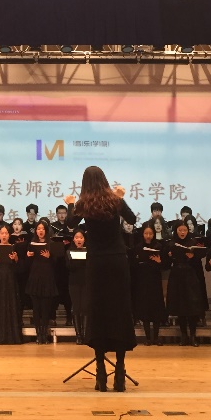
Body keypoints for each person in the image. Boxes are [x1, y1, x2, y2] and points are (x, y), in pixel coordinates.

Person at [64, 166, 137, 393]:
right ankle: (120, 373)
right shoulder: (114, 201)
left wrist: (70, 203)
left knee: (98, 312)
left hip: (96, 263)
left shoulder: (83, 204)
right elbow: (132, 219)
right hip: (117, 261)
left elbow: (70, 224)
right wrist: (121, 198)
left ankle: (101, 374)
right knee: (119, 311)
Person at [166, 222, 208, 347]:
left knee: (192, 307)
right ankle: (183, 336)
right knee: (180, 307)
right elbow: (166, 263)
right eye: (180, 230)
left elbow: (199, 258)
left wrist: (193, 256)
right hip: (177, 276)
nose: (182, 232)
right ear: (176, 231)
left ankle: (193, 336)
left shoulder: (193, 242)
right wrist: (169, 256)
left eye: (184, 230)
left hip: (190, 276)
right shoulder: (171, 243)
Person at [25, 219, 59, 344]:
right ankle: (38, 334)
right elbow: (27, 264)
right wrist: (28, 256)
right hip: (35, 277)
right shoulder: (31, 243)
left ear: (46, 230)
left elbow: (57, 263)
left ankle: (44, 334)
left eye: (43, 229)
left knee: (45, 308)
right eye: (38, 229)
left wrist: (50, 257)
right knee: (36, 308)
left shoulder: (51, 244)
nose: (40, 231)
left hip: (47, 277)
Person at [134, 223, 168, 346]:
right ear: (142, 234)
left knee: (156, 307)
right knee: (145, 308)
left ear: (154, 234)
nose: (148, 236)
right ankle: (148, 338)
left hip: (155, 280)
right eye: (146, 233)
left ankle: (156, 337)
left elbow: (165, 265)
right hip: (143, 281)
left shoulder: (159, 246)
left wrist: (159, 261)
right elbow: (134, 265)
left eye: (150, 233)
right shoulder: (138, 247)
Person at [66, 228, 88, 345]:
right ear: (73, 239)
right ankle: (78, 335)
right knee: (76, 308)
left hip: (86, 282)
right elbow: (68, 267)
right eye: (76, 237)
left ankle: (85, 334)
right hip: (74, 283)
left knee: (85, 308)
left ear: (84, 239)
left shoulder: (89, 251)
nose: (79, 240)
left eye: (81, 237)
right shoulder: (69, 251)